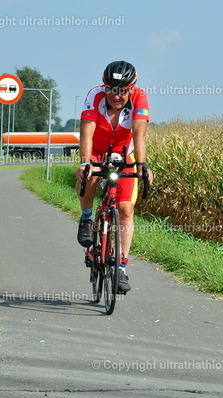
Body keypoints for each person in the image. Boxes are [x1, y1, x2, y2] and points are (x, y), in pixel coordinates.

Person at [75, 60, 153, 294]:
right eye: (111, 89)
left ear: (131, 88)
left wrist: (142, 165)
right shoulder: (95, 95)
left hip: (123, 153)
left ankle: (120, 268)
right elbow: (86, 133)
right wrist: (85, 162)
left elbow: (139, 133)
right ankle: (87, 218)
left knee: (126, 209)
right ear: (104, 86)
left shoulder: (140, 97)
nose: (116, 96)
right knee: (88, 176)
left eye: (122, 91)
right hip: (96, 151)